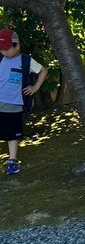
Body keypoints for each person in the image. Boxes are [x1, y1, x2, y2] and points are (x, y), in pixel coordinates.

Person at [0, 28, 48, 175]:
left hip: (14, 104)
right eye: (1, 49)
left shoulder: (26, 60)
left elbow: (43, 71)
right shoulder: (0, 57)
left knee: (12, 134)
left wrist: (35, 87)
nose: (4, 52)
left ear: (17, 46)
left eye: (7, 49)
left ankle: (13, 161)